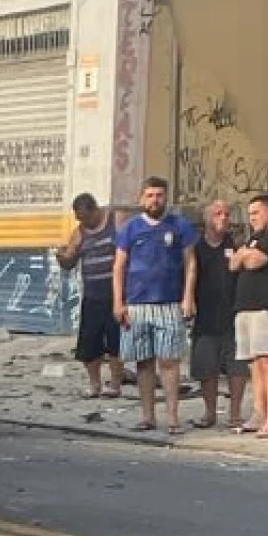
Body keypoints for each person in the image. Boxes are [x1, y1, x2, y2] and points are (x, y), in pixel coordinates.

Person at [110, 176, 197, 437]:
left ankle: (172, 419)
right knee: (144, 363)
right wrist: (118, 302)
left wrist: (188, 297)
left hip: (170, 304)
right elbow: (118, 267)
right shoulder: (130, 228)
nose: (155, 200)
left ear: (166, 198)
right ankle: (148, 417)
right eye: (150, 195)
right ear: (141, 199)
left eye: (159, 195)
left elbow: (191, 264)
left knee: (170, 362)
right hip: (137, 305)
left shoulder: (180, 226)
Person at [226, 189, 268, 439]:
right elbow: (233, 264)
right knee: (253, 363)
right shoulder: (255, 237)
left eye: (256, 213)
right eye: (249, 214)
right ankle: (258, 412)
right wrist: (244, 254)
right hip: (246, 307)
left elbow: (254, 262)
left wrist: (244, 255)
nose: (252, 218)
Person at [188, 198, 245, 432]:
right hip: (205, 314)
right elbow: (189, 276)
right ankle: (210, 413)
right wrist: (188, 301)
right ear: (207, 218)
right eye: (218, 213)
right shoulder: (196, 247)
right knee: (206, 366)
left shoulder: (236, 244)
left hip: (233, 314)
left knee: (237, 366)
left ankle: (235, 415)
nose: (224, 218)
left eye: (227, 213)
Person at [56, 193, 121, 398]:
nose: (83, 222)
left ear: (95, 210)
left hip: (115, 294)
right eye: (79, 219)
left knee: (116, 343)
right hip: (92, 296)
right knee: (89, 344)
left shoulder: (114, 222)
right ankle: (95, 385)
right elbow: (69, 262)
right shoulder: (80, 232)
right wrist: (61, 257)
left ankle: (115, 385)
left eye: (85, 217)